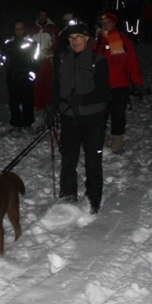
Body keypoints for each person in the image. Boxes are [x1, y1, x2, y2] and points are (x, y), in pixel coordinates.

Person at [50, 20, 109, 214]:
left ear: (87, 38)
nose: (75, 41)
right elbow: (56, 86)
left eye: (79, 37)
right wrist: (52, 108)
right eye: (71, 38)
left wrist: (82, 99)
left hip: (93, 118)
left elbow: (103, 92)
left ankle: (92, 201)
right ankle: (67, 197)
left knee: (93, 161)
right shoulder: (62, 58)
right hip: (68, 117)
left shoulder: (98, 60)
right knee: (68, 160)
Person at [92, 11, 144, 154]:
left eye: (109, 23)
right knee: (99, 113)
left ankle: (117, 140)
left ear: (114, 24)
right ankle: (101, 138)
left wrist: (137, 81)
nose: (106, 25)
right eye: (104, 23)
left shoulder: (122, 40)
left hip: (119, 83)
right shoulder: (96, 42)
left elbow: (132, 61)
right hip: (101, 85)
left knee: (118, 113)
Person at [2, 19, 39, 132]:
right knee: (14, 100)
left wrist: (33, 71)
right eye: (16, 29)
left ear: (24, 29)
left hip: (26, 74)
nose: (18, 31)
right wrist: (1, 59)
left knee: (27, 99)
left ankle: (28, 123)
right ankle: (16, 123)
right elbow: (3, 58)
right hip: (12, 75)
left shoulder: (32, 42)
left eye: (21, 29)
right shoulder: (8, 43)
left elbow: (37, 58)